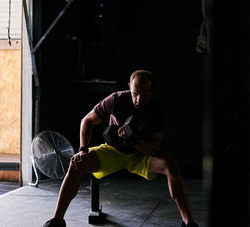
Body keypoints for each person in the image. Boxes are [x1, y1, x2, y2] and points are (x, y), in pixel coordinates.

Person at [43, 70, 199, 227]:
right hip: (113, 151)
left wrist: (133, 140)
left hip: (141, 154)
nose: (138, 100)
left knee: (171, 164)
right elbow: (87, 120)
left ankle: (189, 222)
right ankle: (57, 220)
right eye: (135, 93)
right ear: (129, 86)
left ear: (152, 92)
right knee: (76, 163)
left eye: (144, 95)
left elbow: (153, 148)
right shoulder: (116, 99)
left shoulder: (157, 109)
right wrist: (83, 149)